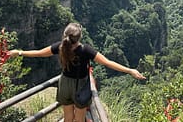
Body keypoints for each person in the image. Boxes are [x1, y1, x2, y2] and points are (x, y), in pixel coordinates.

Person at [9, 22, 145, 122]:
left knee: (68, 117)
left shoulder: (60, 46)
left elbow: (39, 53)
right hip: (80, 87)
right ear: (79, 37)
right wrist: (130, 70)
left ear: (65, 35)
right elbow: (107, 62)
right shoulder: (86, 50)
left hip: (64, 85)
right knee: (79, 120)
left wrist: (19, 52)